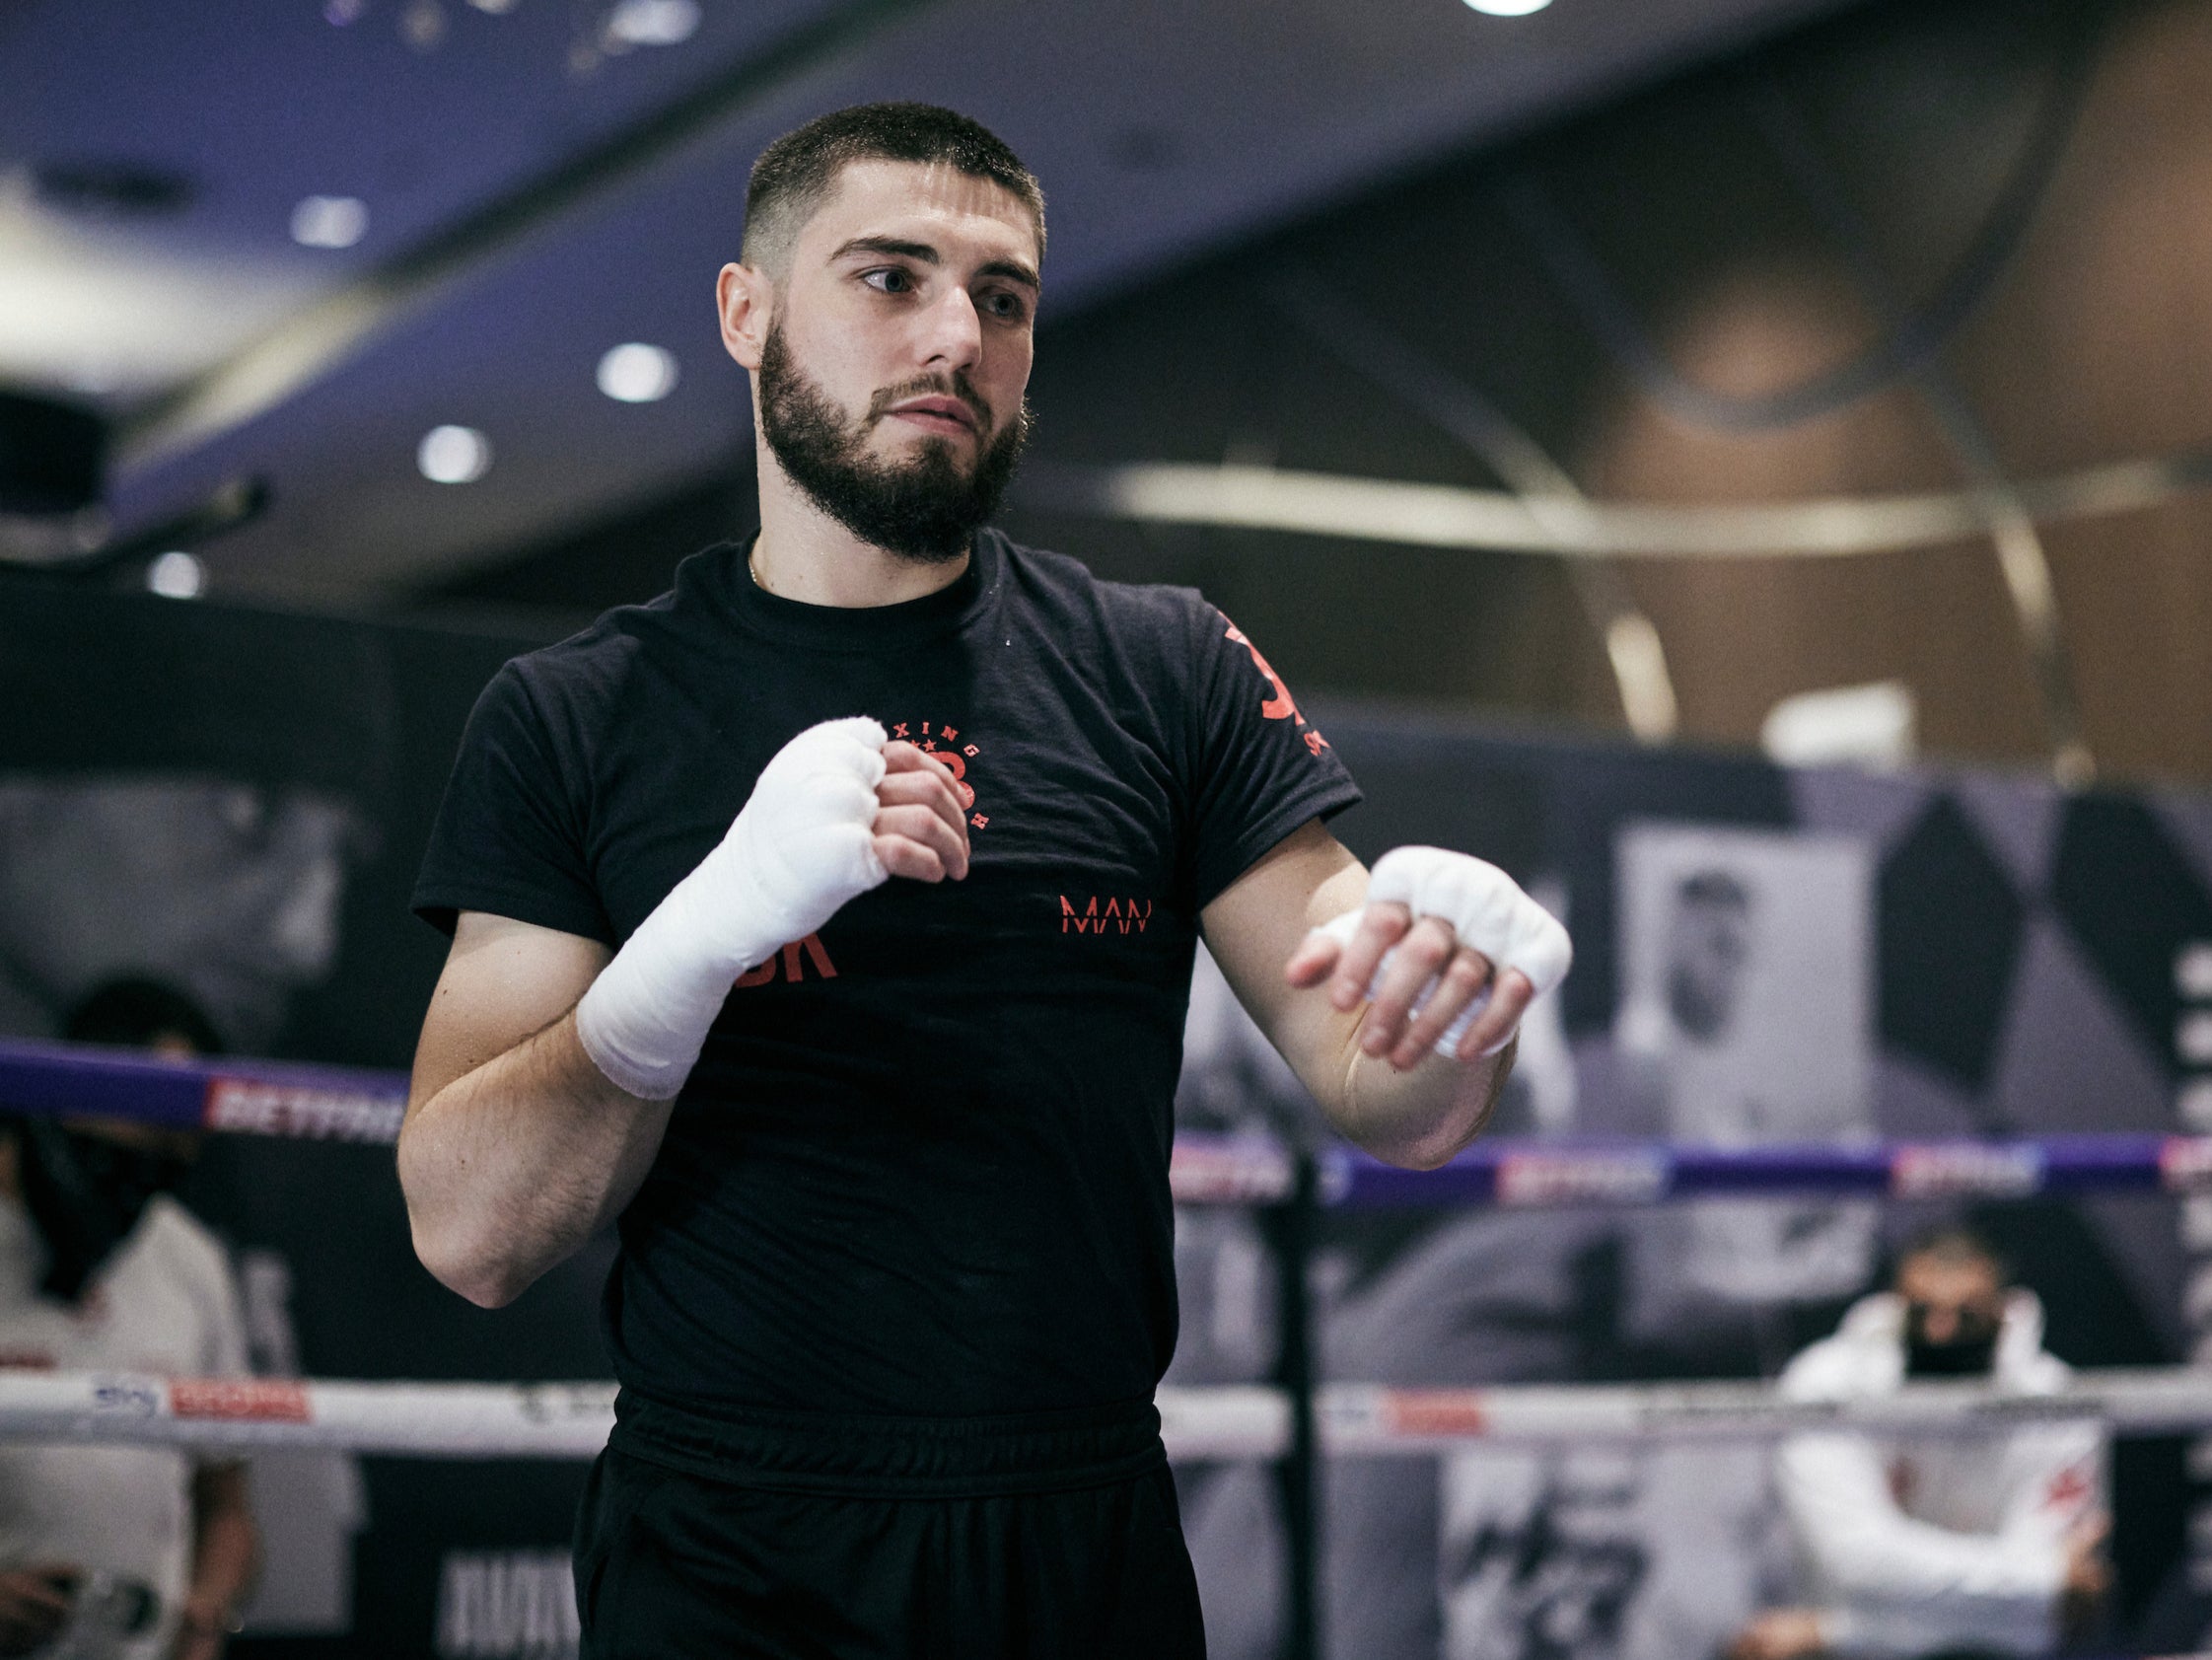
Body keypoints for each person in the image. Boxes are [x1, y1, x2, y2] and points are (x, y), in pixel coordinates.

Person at [398, 102, 1572, 1657]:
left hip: (1077, 1534)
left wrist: (1459, 996)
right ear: (745, 314)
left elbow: (1397, 1102)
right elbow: (468, 1234)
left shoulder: (1162, 669)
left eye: (1000, 295)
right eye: (889, 277)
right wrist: (692, 944)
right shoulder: (578, 712)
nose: (955, 333)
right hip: (732, 1546)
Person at [0, 979, 259, 1660]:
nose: (164, 1154)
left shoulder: (191, 1260)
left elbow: (225, 1503)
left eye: (184, 1136)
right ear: (75, 1086)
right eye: (152, 1118)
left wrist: (205, 1617)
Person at [1728, 1228, 2108, 1660]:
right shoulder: (1826, 1385)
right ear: (1895, 1307)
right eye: (1922, 1311)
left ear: (2004, 1313)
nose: (1941, 1333)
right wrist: (2041, 1579)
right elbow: (1858, 1565)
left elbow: (2039, 1626)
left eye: (1966, 1316)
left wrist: (1833, 1631)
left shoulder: (2059, 1405)